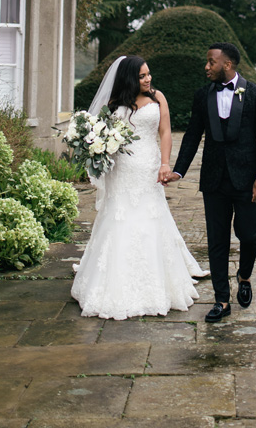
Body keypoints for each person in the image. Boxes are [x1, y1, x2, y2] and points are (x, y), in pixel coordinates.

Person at [71, 55, 208, 320]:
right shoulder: (113, 104)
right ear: (129, 78)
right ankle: (112, 280)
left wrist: (165, 164)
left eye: (148, 74)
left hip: (148, 166)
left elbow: (165, 132)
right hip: (122, 170)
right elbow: (102, 133)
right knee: (119, 216)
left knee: (150, 215)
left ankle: (155, 278)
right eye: (142, 76)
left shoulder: (158, 98)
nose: (148, 79)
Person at [164, 42, 256, 323]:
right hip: (213, 180)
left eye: (211, 62)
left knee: (250, 235)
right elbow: (192, 135)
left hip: (247, 181)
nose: (206, 67)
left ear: (227, 64)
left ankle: (245, 275)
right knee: (217, 241)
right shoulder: (202, 95)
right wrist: (179, 170)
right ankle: (221, 300)